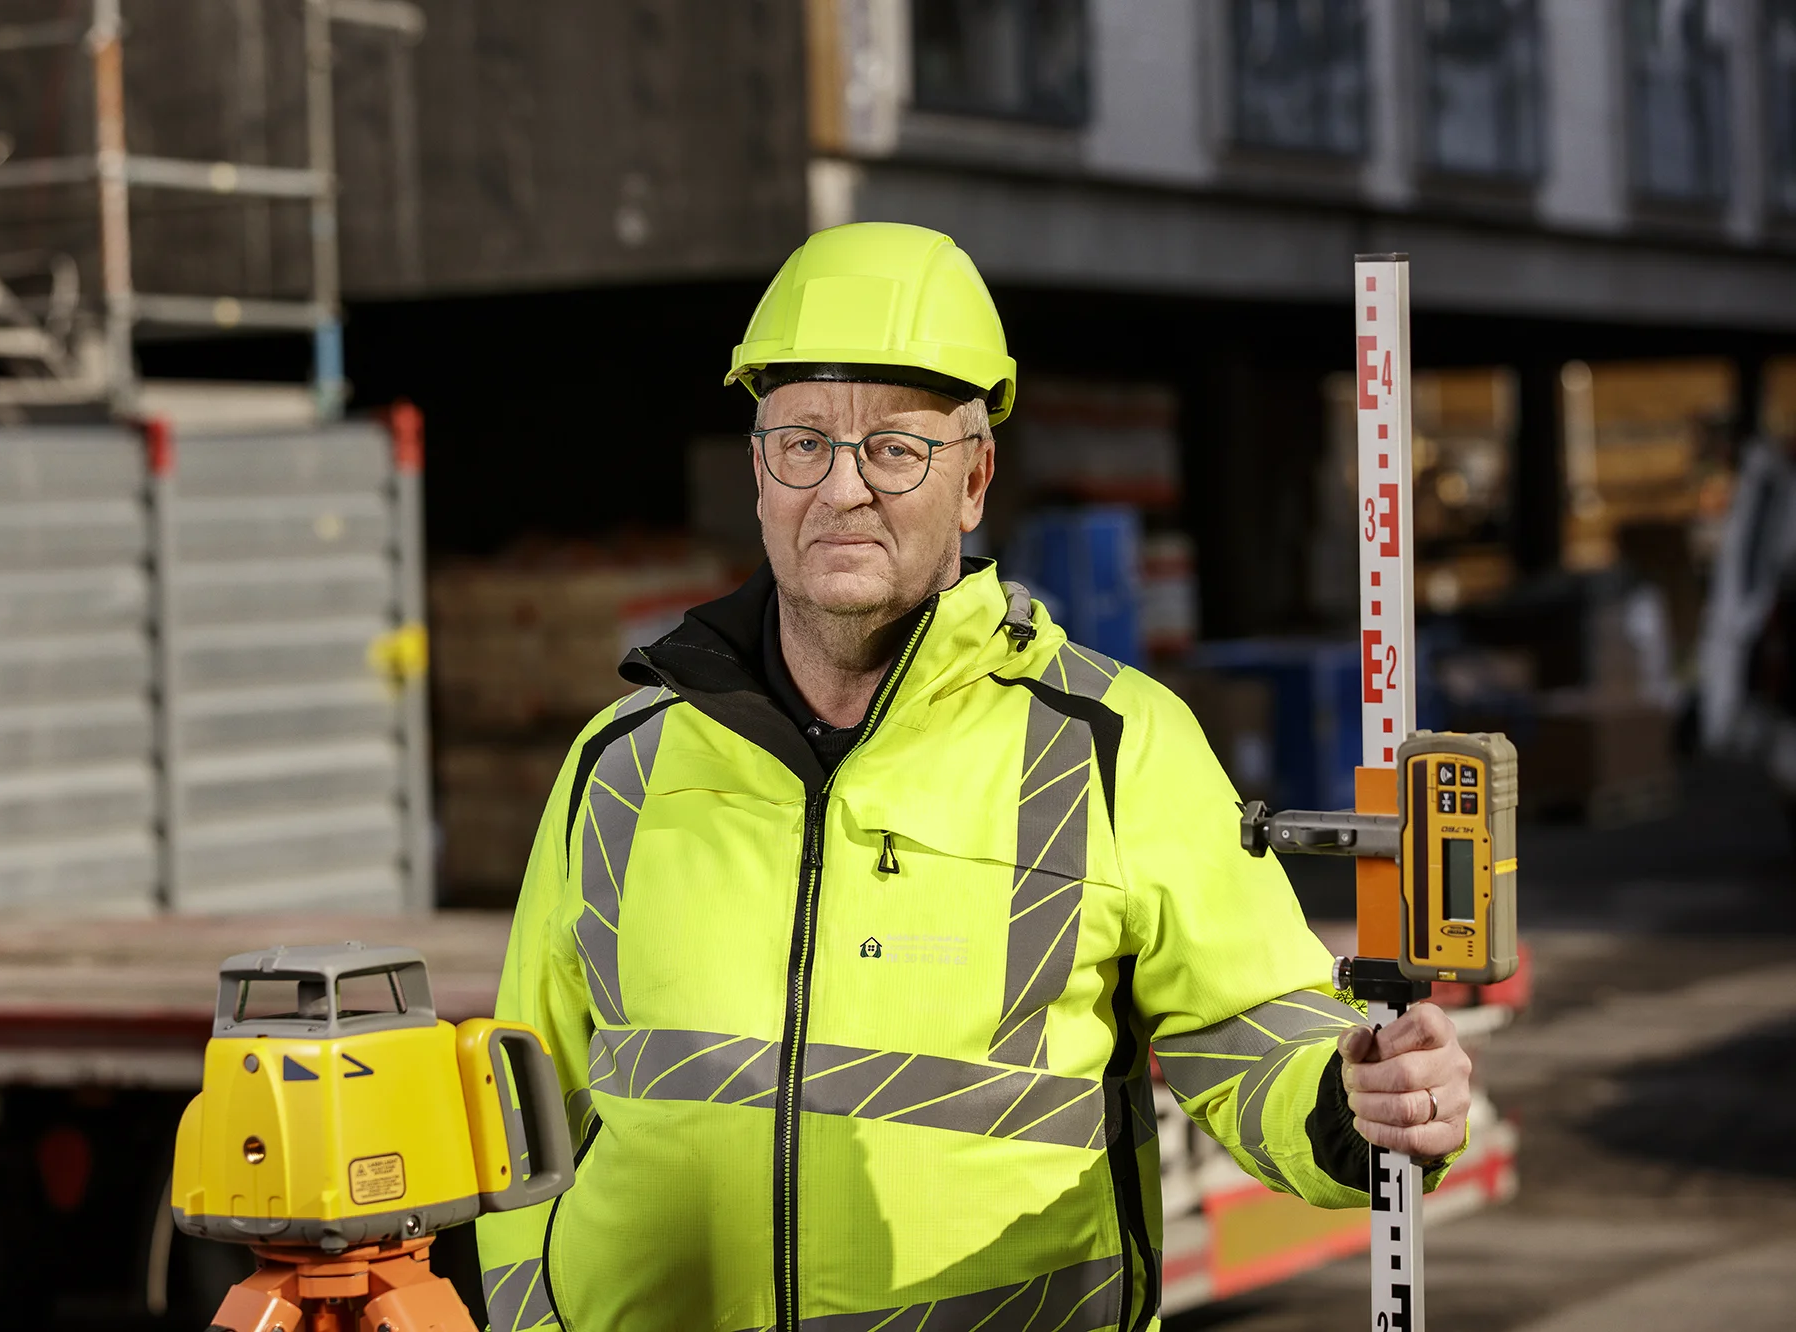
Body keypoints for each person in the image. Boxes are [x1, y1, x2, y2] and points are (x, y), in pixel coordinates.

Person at [475, 222, 1472, 1332]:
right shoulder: (621, 761)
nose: (840, 490)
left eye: (893, 449)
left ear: (974, 480)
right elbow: (523, 1115)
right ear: (756, 471)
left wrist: (1354, 1101)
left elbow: (1255, 1035)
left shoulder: (1112, 744)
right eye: (800, 442)